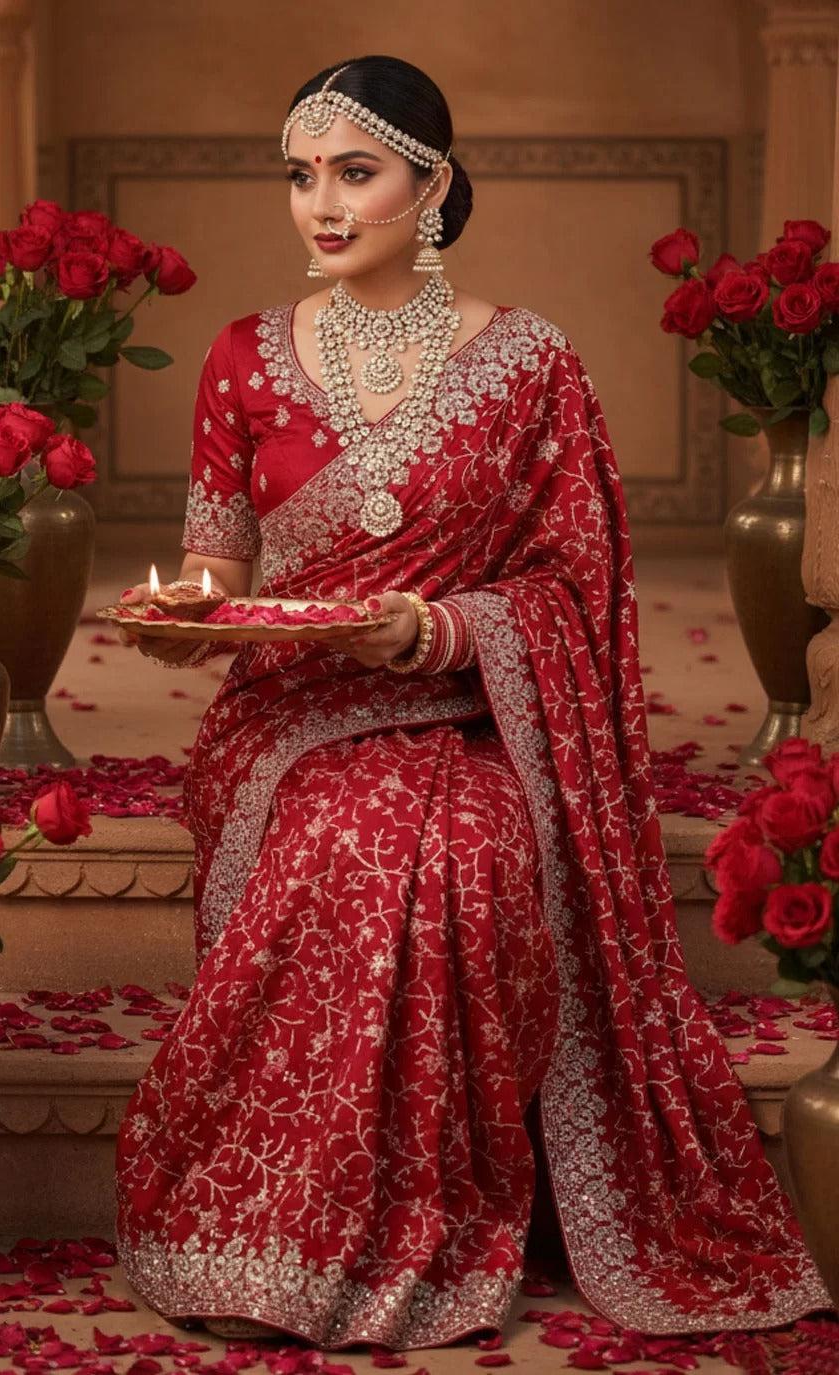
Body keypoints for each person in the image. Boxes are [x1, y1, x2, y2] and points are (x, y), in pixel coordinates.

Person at [115, 55, 827, 1350]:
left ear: (430, 187)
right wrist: (187, 615)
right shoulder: (242, 361)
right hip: (292, 718)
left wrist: (439, 628)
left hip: (476, 715)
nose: (320, 205)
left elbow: (578, 585)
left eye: (353, 172)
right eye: (301, 175)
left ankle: (416, 1222)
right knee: (347, 838)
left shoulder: (526, 363)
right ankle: (263, 1224)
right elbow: (217, 561)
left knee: (463, 848)